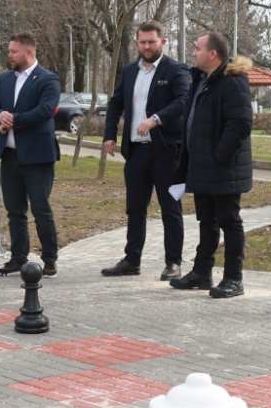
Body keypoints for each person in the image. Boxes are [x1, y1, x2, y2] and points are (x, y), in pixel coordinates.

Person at [101, 20, 192, 280]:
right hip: (137, 152)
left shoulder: (176, 70)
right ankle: (132, 260)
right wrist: (109, 135)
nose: (147, 46)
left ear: (162, 41)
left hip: (166, 151)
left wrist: (156, 119)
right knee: (135, 208)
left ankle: (173, 262)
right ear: (137, 43)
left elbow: (183, 101)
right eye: (142, 42)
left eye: (151, 42)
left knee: (170, 208)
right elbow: (116, 103)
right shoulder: (130, 71)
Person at [169, 31, 253, 299]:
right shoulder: (201, 80)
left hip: (223, 168)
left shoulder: (232, 82)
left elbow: (240, 123)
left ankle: (233, 278)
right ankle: (201, 273)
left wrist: (219, 156)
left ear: (213, 53)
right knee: (206, 220)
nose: (193, 52)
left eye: (198, 47)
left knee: (229, 221)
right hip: (202, 166)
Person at [0, 32, 62, 277]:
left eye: (14, 51)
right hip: (10, 155)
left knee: (40, 208)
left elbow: (45, 111)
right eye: (9, 51)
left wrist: (13, 120)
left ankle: (49, 259)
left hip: (38, 157)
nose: (10, 55)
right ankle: (18, 258)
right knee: (15, 211)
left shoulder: (48, 79)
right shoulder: (6, 79)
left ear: (29, 52)